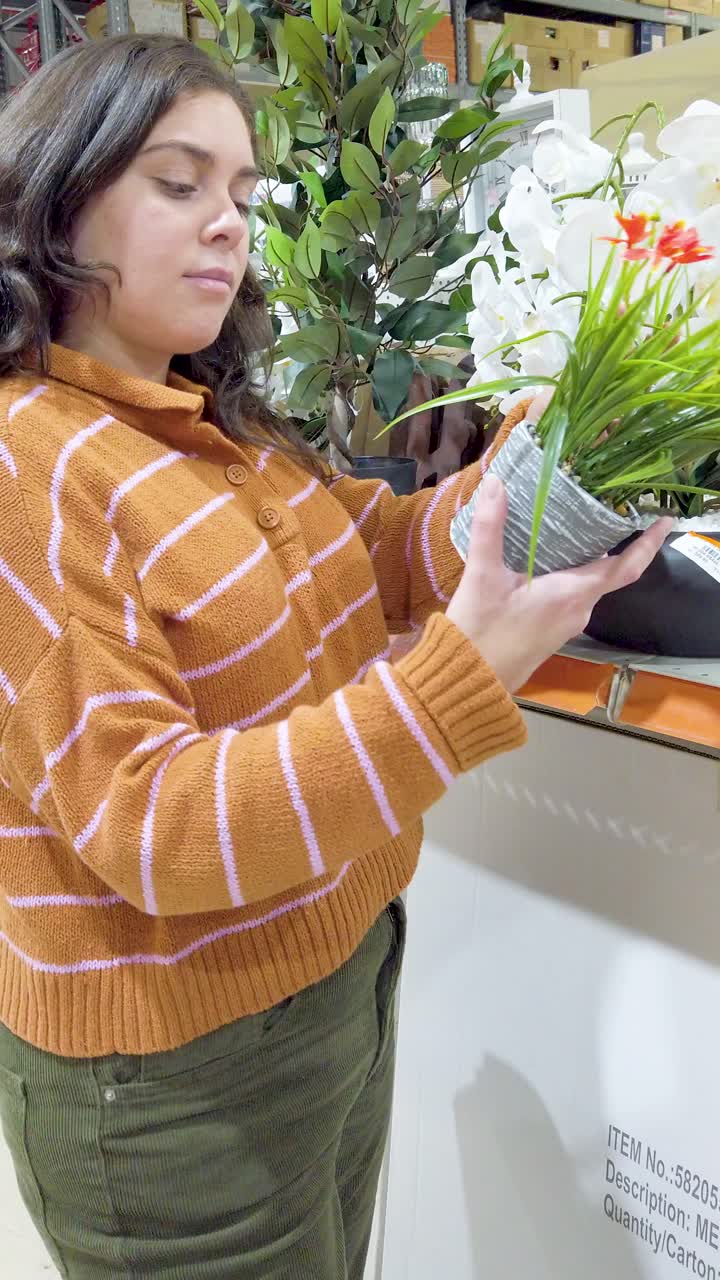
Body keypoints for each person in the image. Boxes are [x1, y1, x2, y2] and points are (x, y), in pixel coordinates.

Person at [0, 34, 668, 1280]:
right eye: (179, 182)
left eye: (244, 196)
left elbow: (380, 548)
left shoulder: (208, 419)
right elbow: (151, 823)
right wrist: (461, 672)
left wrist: (546, 469)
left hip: (336, 983)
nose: (227, 227)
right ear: (59, 187)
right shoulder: (30, 466)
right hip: (172, 1085)